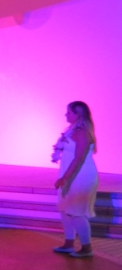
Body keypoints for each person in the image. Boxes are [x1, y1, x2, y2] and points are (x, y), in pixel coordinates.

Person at [51, 101, 98, 258]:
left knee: (77, 212)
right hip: (69, 174)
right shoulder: (71, 130)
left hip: (81, 176)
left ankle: (86, 248)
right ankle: (69, 243)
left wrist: (64, 178)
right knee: (65, 209)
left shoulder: (82, 133)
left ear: (78, 115)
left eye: (69, 112)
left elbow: (78, 158)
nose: (66, 114)